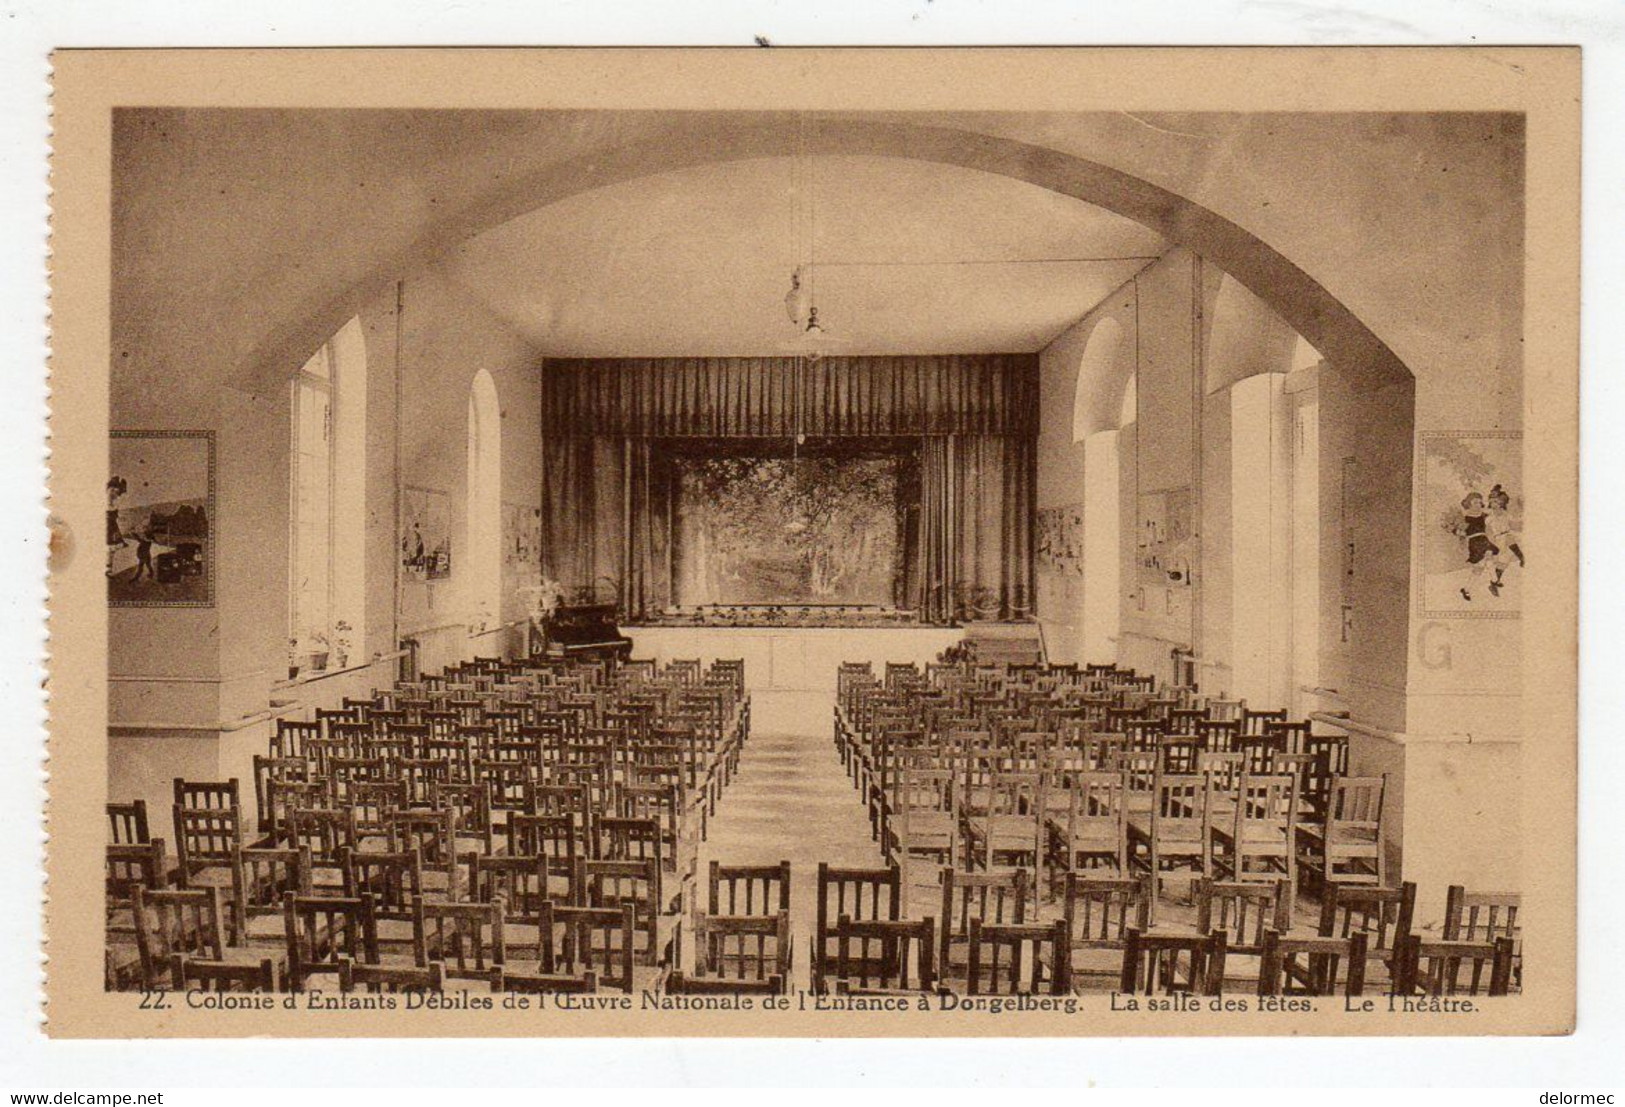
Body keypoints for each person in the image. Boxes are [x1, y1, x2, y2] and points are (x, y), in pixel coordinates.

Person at [1455, 490, 1498, 603]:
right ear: (1468, 503)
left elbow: (1493, 513)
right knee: (1482, 566)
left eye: (1480, 502)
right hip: (1475, 543)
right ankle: (1491, 582)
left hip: (1484, 540)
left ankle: (1493, 582)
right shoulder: (1466, 518)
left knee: (1485, 563)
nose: (1478, 505)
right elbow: (1462, 533)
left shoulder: (1483, 515)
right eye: (1475, 502)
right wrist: (1455, 531)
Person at [1486, 484, 1524, 597]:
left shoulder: (1506, 515)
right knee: (1502, 561)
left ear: (1502, 503)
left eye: (1497, 502)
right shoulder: (1489, 518)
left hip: (1508, 537)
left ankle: (1494, 583)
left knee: (1504, 563)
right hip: (1499, 540)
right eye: (1492, 502)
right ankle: (1522, 558)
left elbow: (1514, 524)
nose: (1494, 505)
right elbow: (1488, 532)